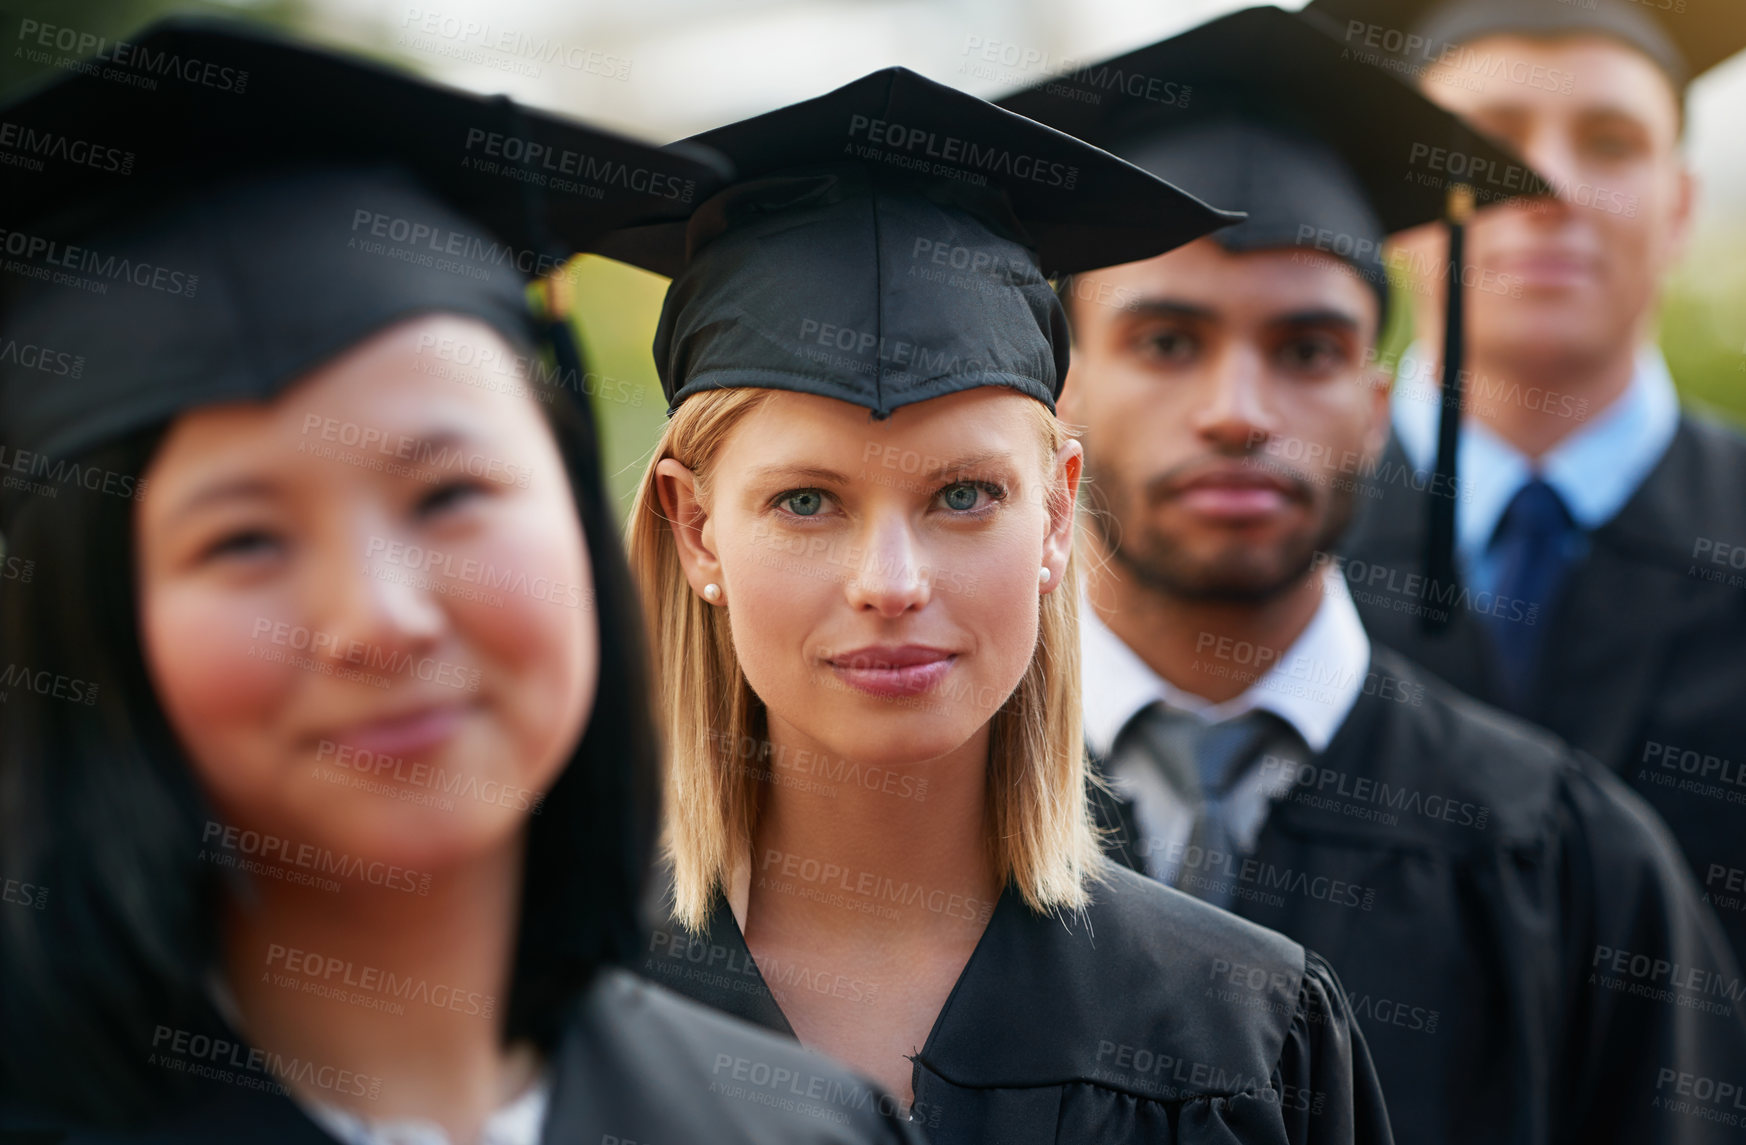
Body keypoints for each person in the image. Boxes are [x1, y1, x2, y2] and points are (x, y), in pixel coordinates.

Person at [0, 20, 923, 1145]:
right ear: (90, 616)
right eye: (244, 540)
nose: (381, 618)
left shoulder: (801, 1127)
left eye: (449, 496)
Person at [999, 7, 1746, 1144]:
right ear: (1059, 394)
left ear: (1376, 406)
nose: (1238, 412)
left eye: (1306, 350)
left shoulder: (1571, 851)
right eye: (1165, 340)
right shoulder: (924, 815)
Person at [611, 63, 1394, 1145]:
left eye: (964, 494)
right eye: (805, 500)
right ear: (696, 526)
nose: (891, 581)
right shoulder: (545, 1013)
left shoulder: (1247, 1036)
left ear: (1059, 514)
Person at [1298, 0, 1746, 963]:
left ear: (1679, 208)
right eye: (1487, 140)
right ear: (1393, 199)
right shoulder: (1263, 533)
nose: (1549, 185)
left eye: (1612, 140)